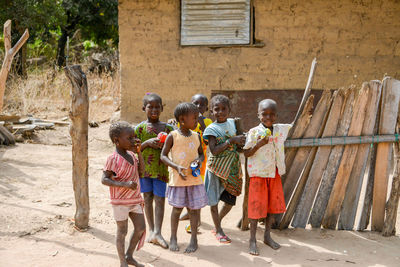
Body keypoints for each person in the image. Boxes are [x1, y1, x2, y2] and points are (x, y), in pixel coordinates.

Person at [243, 99, 291, 256]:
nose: (268, 117)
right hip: (258, 175)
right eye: (264, 114)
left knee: (271, 206)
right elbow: (246, 152)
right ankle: (252, 239)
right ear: (258, 115)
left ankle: (267, 236)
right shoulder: (254, 132)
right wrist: (258, 144)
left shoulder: (279, 130)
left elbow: (295, 125)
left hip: (274, 172)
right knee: (256, 207)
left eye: (272, 114)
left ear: (276, 116)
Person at [160, 102, 208, 253]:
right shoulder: (172, 136)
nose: (197, 120)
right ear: (182, 119)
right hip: (179, 180)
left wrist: (199, 161)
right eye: (194, 118)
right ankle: (173, 237)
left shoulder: (196, 136)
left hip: (194, 180)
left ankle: (194, 239)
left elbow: (201, 153)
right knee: (177, 210)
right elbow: (163, 156)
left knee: (194, 210)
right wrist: (176, 167)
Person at [203, 95, 246, 243]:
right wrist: (231, 141)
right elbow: (214, 150)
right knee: (214, 201)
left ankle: (217, 223)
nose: (220, 112)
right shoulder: (211, 129)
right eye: (217, 109)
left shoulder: (233, 123)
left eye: (224, 109)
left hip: (231, 168)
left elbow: (238, 145)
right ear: (211, 111)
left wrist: (241, 142)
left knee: (230, 201)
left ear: (229, 110)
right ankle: (219, 230)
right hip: (215, 169)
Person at [102, 121, 146, 267]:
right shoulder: (112, 159)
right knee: (122, 231)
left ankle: (129, 255)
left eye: (134, 137)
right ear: (116, 140)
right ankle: (122, 262)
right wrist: (124, 184)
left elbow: (142, 172)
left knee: (140, 228)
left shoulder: (132, 155)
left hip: (134, 199)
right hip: (120, 201)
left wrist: (139, 151)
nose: (133, 140)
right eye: (129, 138)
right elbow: (104, 179)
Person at [135, 93, 174, 249]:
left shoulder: (168, 128)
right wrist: (147, 143)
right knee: (148, 198)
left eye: (158, 106)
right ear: (144, 108)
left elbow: (175, 144)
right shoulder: (139, 128)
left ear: (162, 108)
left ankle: (158, 231)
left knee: (160, 199)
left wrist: (165, 145)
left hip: (161, 170)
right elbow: (133, 148)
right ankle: (151, 230)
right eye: (150, 106)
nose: (154, 109)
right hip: (144, 171)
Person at [179, 94, 213, 232]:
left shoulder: (207, 122)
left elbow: (207, 140)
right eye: (195, 103)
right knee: (186, 188)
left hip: (199, 163)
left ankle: (197, 220)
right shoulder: (183, 120)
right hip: (184, 160)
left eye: (202, 104)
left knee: (196, 191)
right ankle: (189, 212)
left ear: (206, 108)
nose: (198, 107)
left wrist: (200, 124)